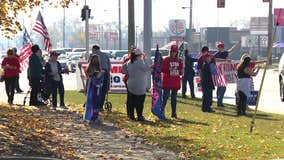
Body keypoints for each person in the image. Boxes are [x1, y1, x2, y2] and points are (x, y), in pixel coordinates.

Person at [122, 48, 151, 121]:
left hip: (131, 84)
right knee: (140, 102)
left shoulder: (129, 62)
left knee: (131, 101)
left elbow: (123, 70)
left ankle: (131, 115)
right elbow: (147, 68)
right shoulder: (140, 62)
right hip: (140, 85)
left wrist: (129, 72)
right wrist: (145, 60)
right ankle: (139, 116)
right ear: (138, 55)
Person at [214, 41, 240, 107]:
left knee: (221, 87)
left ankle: (219, 101)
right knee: (221, 87)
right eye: (219, 47)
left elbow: (232, 50)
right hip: (219, 73)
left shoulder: (225, 53)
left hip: (224, 72)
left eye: (221, 47)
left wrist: (237, 44)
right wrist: (225, 61)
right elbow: (214, 60)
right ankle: (219, 102)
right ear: (217, 48)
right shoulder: (216, 54)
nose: (220, 48)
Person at [161, 44, 183, 119]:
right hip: (167, 81)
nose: (174, 53)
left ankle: (174, 113)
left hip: (175, 81)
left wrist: (181, 71)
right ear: (170, 52)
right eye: (173, 51)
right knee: (165, 97)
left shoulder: (179, 60)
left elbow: (180, 71)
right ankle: (161, 111)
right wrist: (170, 70)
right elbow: (163, 69)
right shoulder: (166, 59)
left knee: (174, 98)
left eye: (176, 51)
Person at [85, 54, 105, 124]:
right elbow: (93, 76)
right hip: (92, 87)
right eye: (94, 59)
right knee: (92, 102)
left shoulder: (98, 67)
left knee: (97, 102)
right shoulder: (90, 68)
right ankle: (91, 118)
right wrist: (99, 74)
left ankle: (95, 117)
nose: (96, 61)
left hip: (97, 87)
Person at [91, 45, 111, 111]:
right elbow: (109, 66)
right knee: (103, 91)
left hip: (96, 74)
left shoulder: (93, 56)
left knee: (96, 90)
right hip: (105, 73)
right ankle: (100, 106)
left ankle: (95, 105)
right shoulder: (105, 55)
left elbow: (90, 65)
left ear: (94, 49)